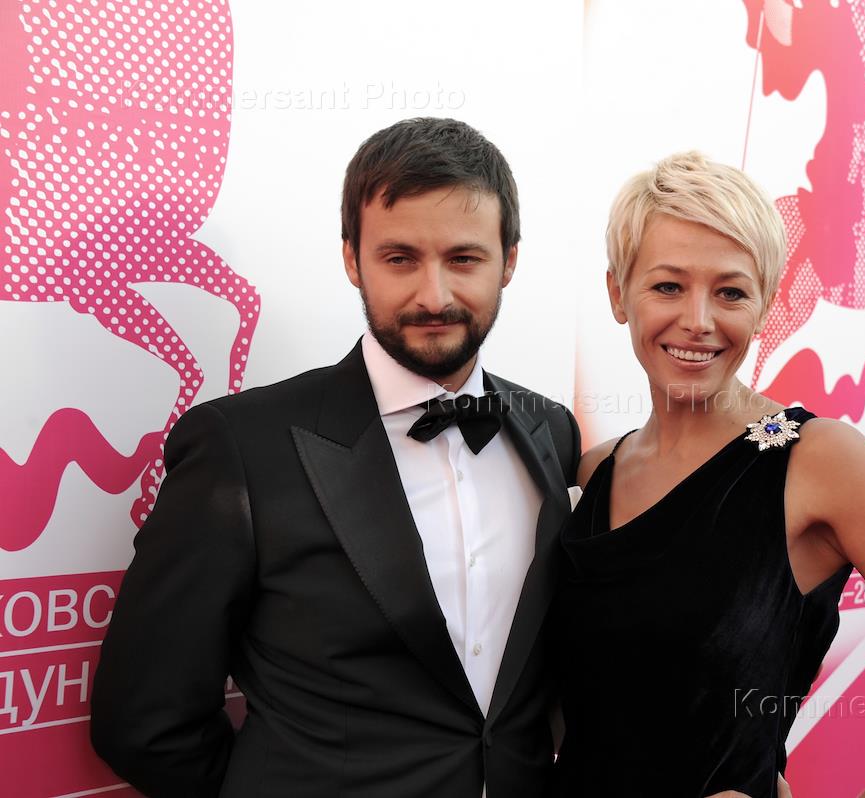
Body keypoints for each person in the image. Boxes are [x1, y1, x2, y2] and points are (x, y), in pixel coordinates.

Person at [90, 118, 580, 798]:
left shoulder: (550, 430)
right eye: (399, 258)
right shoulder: (241, 447)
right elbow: (143, 722)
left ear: (510, 261)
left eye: (464, 259)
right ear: (353, 259)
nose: (434, 295)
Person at [552, 152, 865, 797]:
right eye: (667, 286)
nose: (698, 320)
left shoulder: (817, 460)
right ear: (618, 293)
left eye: (730, 292)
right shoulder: (596, 469)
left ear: (767, 304)